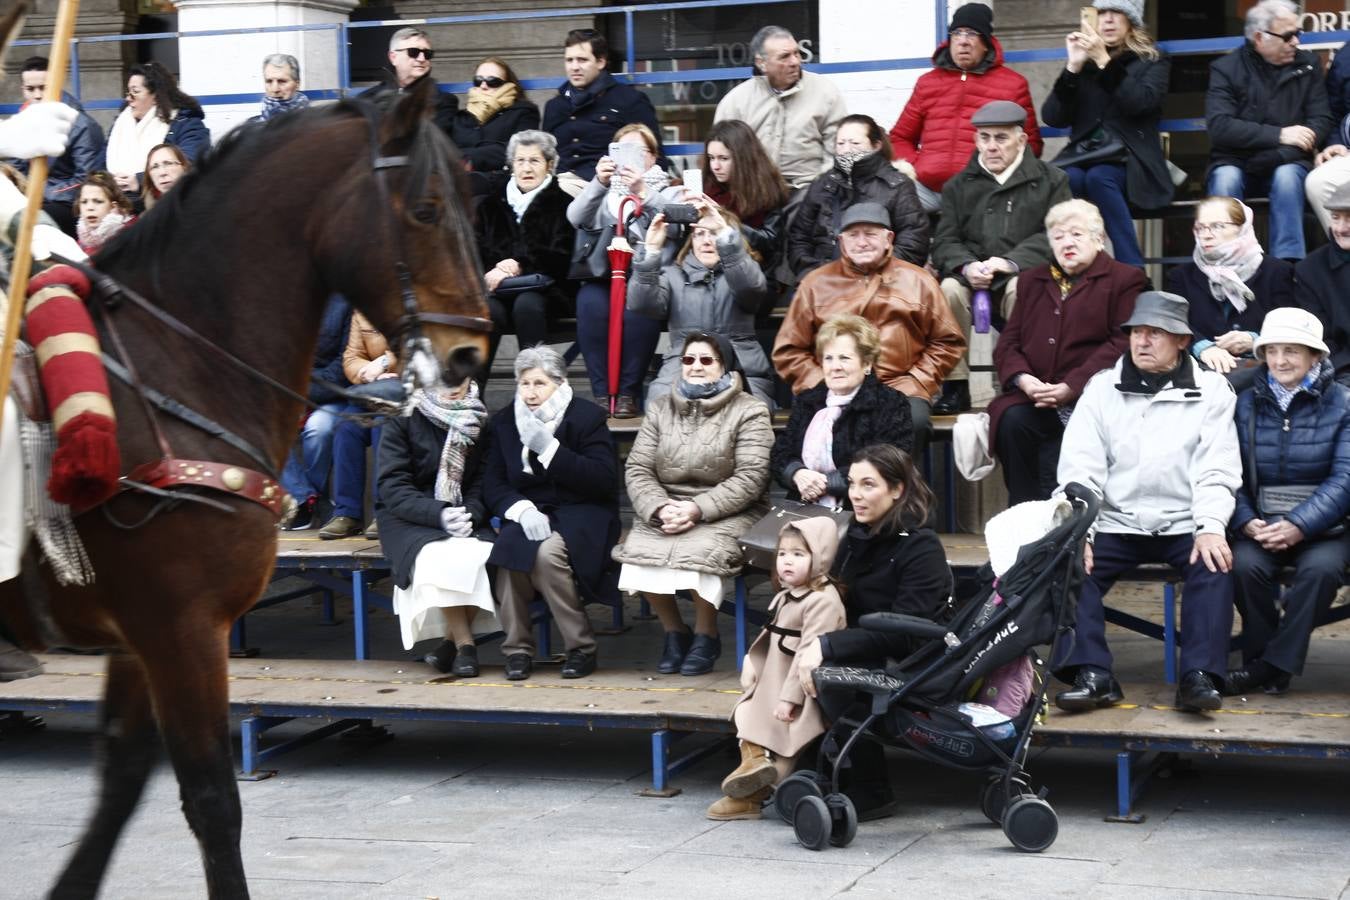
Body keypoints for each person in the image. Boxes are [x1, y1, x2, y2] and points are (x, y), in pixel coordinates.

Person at [1054, 291, 1241, 714]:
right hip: (1116, 521)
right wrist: (1080, 529)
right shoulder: (1102, 388)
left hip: (1183, 521)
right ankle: (1092, 673)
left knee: (1215, 563)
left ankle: (1200, 677)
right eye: (1137, 332)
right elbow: (1080, 469)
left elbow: (1217, 467)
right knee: (1064, 564)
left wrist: (1210, 524)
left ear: (1181, 340)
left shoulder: (1213, 391)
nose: (1142, 341)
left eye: (1155, 333)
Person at [792, 443, 954, 820]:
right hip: (868, 645)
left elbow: (907, 633)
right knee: (784, 646)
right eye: (851, 484)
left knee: (833, 675)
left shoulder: (921, 546)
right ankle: (777, 757)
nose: (856, 494)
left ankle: (872, 787)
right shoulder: (858, 536)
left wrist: (827, 644)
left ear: (897, 489)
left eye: (869, 485)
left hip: (912, 660)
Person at [614, 332, 773, 676]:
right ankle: (675, 632)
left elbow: (751, 477)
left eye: (706, 360)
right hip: (666, 505)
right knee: (638, 552)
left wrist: (696, 509)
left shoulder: (751, 410)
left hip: (730, 508)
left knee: (702, 551)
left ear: (725, 367)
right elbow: (638, 467)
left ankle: (706, 633)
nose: (696, 366)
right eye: (688, 360)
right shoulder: (659, 408)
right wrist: (659, 507)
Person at [773, 202, 964, 459]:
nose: (861, 242)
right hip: (834, 385)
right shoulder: (815, 283)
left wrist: (917, 379)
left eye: (870, 234)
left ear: (889, 239)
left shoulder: (919, 280)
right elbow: (789, 350)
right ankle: (835, 493)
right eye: (853, 235)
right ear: (841, 241)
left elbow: (947, 342)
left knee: (914, 423)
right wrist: (826, 381)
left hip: (899, 385)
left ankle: (898, 495)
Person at [1227, 308, 1350, 698]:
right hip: (1260, 522)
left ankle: (1266, 667)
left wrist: (1300, 523)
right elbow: (1229, 472)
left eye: (1292, 351)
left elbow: (1346, 478)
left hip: (1327, 527)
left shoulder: (1344, 403)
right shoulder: (1243, 403)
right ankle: (1268, 660)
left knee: (1320, 572)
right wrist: (1245, 520)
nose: (1280, 361)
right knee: (1244, 567)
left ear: (1316, 357)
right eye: (1273, 351)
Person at [990, 199, 1144, 505]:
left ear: (1099, 239)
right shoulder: (1033, 280)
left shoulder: (1126, 279)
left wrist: (1071, 386)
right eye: (1058, 236)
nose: (1067, 243)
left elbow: (1121, 342)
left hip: (1092, 395)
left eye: (1076, 234)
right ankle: (1024, 512)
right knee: (1011, 419)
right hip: (1034, 394)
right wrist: (1023, 379)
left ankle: (1067, 522)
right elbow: (1009, 341)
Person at [482, 345, 620, 681]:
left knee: (545, 555)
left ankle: (580, 647)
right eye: (524, 384)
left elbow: (602, 479)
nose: (530, 393)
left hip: (584, 510)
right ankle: (517, 650)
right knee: (508, 553)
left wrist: (551, 450)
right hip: (531, 510)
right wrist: (521, 509)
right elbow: (493, 483)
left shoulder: (586, 417)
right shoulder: (505, 423)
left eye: (539, 384)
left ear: (560, 383)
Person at [931, 99, 1072, 415]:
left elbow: (1057, 234)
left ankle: (1019, 377)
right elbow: (945, 240)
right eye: (984, 138)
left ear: (1021, 139)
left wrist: (1009, 262)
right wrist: (967, 266)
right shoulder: (957, 185)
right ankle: (955, 385)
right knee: (948, 291)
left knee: (1021, 288)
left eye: (1001, 137)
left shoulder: (1052, 180)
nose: (991, 147)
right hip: (971, 274)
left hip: (1023, 272)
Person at [707, 517, 846, 820]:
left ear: (820, 557)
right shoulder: (787, 595)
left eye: (799, 554)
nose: (787, 562)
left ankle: (754, 796)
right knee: (747, 714)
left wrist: (789, 698)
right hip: (773, 678)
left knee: (786, 742)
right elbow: (769, 636)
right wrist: (750, 662)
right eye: (782, 554)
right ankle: (753, 764)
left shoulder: (822, 601)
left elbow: (808, 654)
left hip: (800, 690)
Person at [376, 375, 494, 679]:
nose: (454, 384)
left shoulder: (479, 416)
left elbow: (483, 480)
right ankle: (467, 646)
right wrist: (438, 514)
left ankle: (448, 646)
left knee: (490, 554)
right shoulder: (403, 413)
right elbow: (392, 485)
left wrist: (470, 513)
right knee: (438, 556)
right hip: (407, 515)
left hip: (463, 512)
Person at [1041, 0, 1172, 268]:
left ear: (1131, 22)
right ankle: (1076, 269)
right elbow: (1053, 117)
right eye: (1102, 14)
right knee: (1070, 179)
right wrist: (1073, 68)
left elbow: (1139, 103)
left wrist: (1104, 60)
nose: (1108, 21)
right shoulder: (1083, 65)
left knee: (1101, 177)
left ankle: (1131, 270)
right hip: (1083, 158)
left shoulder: (1152, 58)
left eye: (1117, 13)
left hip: (1131, 160)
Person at [1205, 0, 1333, 262]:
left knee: (1287, 179)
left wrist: (1279, 154)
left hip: (1287, 161)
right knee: (1225, 179)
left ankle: (1287, 265)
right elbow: (1220, 126)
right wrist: (1281, 135)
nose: (1296, 41)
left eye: (1298, 33)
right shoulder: (1226, 69)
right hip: (1236, 161)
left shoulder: (1308, 65)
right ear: (1259, 38)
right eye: (1288, 36)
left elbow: (1320, 121)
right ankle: (1225, 261)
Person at [886, 3, 1043, 212]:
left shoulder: (1013, 84)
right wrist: (916, 166)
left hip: (985, 190)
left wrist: (999, 175)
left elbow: (1031, 145)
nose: (963, 41)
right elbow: (900, 137)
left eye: (971, 33)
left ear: (986, 42)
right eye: (956, 33)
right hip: (927, 188)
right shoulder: (927, 82)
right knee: (881, 200)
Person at [565, 122, 668, 416]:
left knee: (638, 311)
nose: (630, 158)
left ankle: (627, 393)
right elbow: (575, 218)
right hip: (604, 272)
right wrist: (598, 183)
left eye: (638, 151)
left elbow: (674, 227)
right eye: (622, 150)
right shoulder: (604, 190)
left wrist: (643, 191)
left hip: (646, 272)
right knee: (590, 304)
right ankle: (601, 393)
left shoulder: (667, 188)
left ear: (652, 157)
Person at [628, 203, 774, 406]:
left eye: (714, 233)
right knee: (658, 408)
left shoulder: (746, 271)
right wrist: (651, 251)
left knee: (752, 412)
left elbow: (751, 289)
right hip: (683, 367)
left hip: (742, 369)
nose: (706, 241)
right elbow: (641, 304)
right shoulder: (672, 275)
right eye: (699, 234)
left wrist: (728, 242)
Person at [771, 315, 913, 508]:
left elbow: (888, 464)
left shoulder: (890, 403)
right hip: (803, 506)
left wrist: (828, 483)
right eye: (828, 358)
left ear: (867, 364)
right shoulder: (808, 401)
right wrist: (797, 473)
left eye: (844, 358)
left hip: (864, 511)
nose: (835, 367)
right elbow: (781, 452)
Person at [1164, 196, 1295, 391]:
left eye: (1217, 226)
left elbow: (1290, 326)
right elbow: (1173, 322)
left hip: (1265, 377)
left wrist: (1255, 341)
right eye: (1200, 227)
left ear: (1242, 228)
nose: (1206, 235)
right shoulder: (1180, 276)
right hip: (1198, 377)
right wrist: (1202, 347)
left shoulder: (1277, 272)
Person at [476, 130, 575, 374]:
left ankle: (539, 385)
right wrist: (496, 269)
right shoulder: (490, 204)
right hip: (496, 289)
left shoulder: (562, 203)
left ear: (549, 165)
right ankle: (472, 395)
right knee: (490, 311)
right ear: (512, 165)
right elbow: (474, 250)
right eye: (520, 161)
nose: (526, 168)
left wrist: (517, 264)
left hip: (546, 290)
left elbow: (562, 257)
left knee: (527, 305)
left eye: (535, 161)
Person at [786, 114, 929, 276]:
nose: (846, 149)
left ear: (876, 146)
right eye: (840, 143)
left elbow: (914, 240)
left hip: (881, 282)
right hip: (825, 281)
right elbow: (799, 237)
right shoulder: (823, 184)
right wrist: (816, 274)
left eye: (855, 143)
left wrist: (876, 273)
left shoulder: (898, 185)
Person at [713, 25, 847, 190]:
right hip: (755, 194)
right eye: (785, 56)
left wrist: (821, 190)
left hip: (810, 191)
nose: (795, 62)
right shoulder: (735, 102)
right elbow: (721, 154)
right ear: (761, 63)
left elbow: (838, 151)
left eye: (797, 53)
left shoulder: (825, 92)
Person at [542, 28, 662, 194]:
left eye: (582, 60)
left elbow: (655, 154)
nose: (574, 67)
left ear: (601, 62)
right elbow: (544, 153)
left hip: (609, 186)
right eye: (569, 60)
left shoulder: (629, 100)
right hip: (556, 182)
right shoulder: (554, 105)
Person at [317, 312, 402, 540]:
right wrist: (371, 375)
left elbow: (418, 346)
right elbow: (352, 357)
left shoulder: (414, 300)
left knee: (380, 424)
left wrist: (384, 363)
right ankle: (347, 514)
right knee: (346, 425)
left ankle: (383, 512)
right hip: (374, 389)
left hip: (410, 391)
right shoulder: (362, 311)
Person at [280, 295, 353, 531]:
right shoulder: (283, 300)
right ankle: (311, 500)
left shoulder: (344, 304)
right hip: (286, 391)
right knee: (271, 428)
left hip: (329, 393)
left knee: (318, 430)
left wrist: (305, 392)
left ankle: (304, 502)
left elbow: (343, 363)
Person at [12, 56, 105, 235]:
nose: (37, 95)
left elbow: (86, 180)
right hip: (34, 198)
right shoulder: (23, 121)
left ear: (56, 85)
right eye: (31, 89)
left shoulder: (81, 125)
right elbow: (16, 170)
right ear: (23, 90)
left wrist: (41, 192)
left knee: (32, 224)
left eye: (43, 88)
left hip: (69, 203)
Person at [695, 119, 791, 274]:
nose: (715, 166)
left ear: (742, 158)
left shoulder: (766, 189)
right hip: (706, 270)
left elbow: (770, 242)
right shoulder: (705, 186)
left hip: (752, 270)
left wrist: (725, 220)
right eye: (711, 158)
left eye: (723, 158)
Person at [105, 62, 209, 201]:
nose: (128, 98)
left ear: (155, 96)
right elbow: (100, 161)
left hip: (162, 201)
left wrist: (140, 181)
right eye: (128, 92)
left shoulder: (186, 123)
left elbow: (189, 163)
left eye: (135, 92)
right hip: (117, 201)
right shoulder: (120, 124)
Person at [451, 56, 541, 197]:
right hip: (459, 184)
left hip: (501, 186)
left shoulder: (523, 112)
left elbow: (518, 149)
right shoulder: (462, 117)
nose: (483, 85)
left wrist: (468, 157)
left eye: (493, 81)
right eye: (478, 80)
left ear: (508, 85)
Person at [361, 27, 457, 134]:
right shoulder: (367, 100)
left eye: (427, 53)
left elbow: (432, 141)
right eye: (413, 52)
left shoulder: (443, 101)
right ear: (393, 57)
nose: (422, 59)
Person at [1300, 182, 1350, 386]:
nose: (1340, 228)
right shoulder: (1310, 270)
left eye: (1349, 218)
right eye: (1335, 217)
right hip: (1343, 371)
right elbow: (1321, 339)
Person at [1304, 47, 1350, 232]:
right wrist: (1334, 143)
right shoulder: (1346, 56)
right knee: (1319, 182)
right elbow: (1332, 112)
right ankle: (1343, 255)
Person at [73, 172, 134, 255]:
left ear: (113, 207)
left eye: (98, 201)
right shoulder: (83, 237)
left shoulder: (129, 235)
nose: (89, 208)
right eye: (84, 202)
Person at [140, 143, 189, 211]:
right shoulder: (146, 217)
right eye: (155, 167)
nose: (162, 173)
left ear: (183, 166)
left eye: (168, 163)